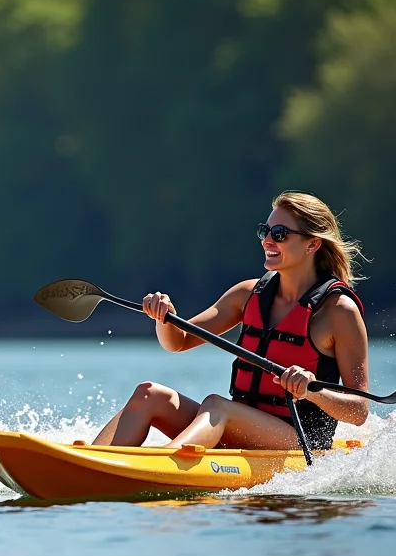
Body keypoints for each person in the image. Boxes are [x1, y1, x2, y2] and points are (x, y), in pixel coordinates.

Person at [94, 191, 369, 451]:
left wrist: (312, 390)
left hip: (297, 439)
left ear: (312, 244)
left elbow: (358, 411)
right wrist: (163, 317)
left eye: (280, 234)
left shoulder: (338, 311)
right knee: (149, 394)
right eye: (265, 231)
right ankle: (94, 463)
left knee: (216, 405)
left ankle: (163, 465)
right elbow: (177, 342)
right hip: (240, 425)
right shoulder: (247, 295)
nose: (267, 241)